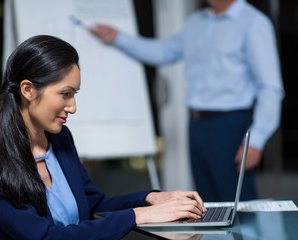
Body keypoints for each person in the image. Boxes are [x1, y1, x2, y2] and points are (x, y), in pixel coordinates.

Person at [0, 35, 205, 240]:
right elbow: (42, 237)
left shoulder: (60, 138)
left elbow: (94, 204)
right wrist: (139, 215)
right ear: (28, 89)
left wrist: (150, 198)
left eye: (74, 94)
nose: (73, 107)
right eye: (65, 94)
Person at [90, 0, 284, 202]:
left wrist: (257, 140)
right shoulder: (195, 23)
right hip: (196, 124)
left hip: (230, 126)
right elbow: (163, 52)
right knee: (207, 205)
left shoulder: (254, 22)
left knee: (239, 205)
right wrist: (118, 38)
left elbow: (269, 87)